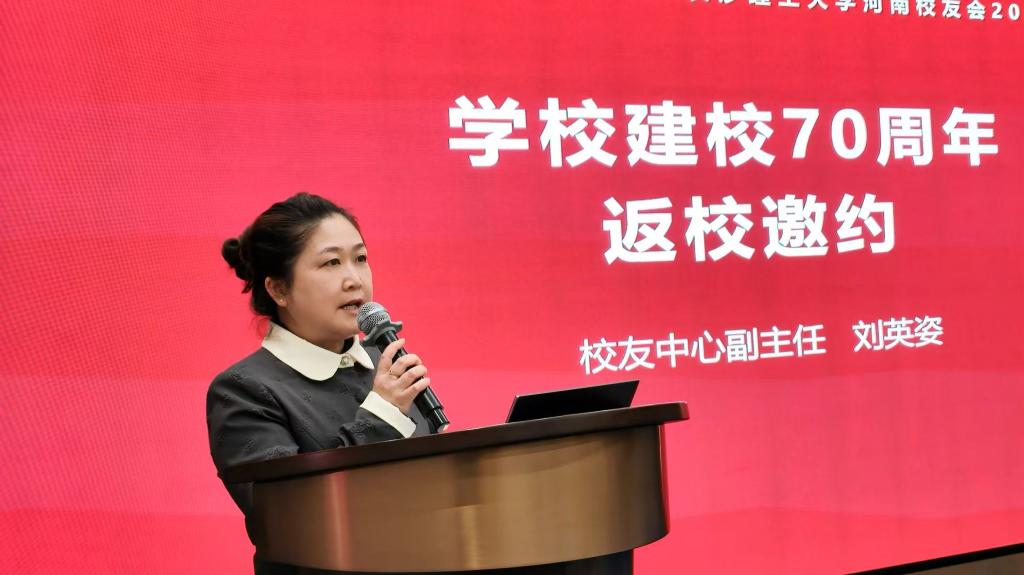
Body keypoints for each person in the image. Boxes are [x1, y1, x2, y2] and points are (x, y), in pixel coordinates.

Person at [207, 192, 434, 575]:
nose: (354, 279)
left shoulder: (385, 364)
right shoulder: (243, 390)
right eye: (331, 263)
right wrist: (382, 416)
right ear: (279, 289)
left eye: (360, 258)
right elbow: (291, 516)